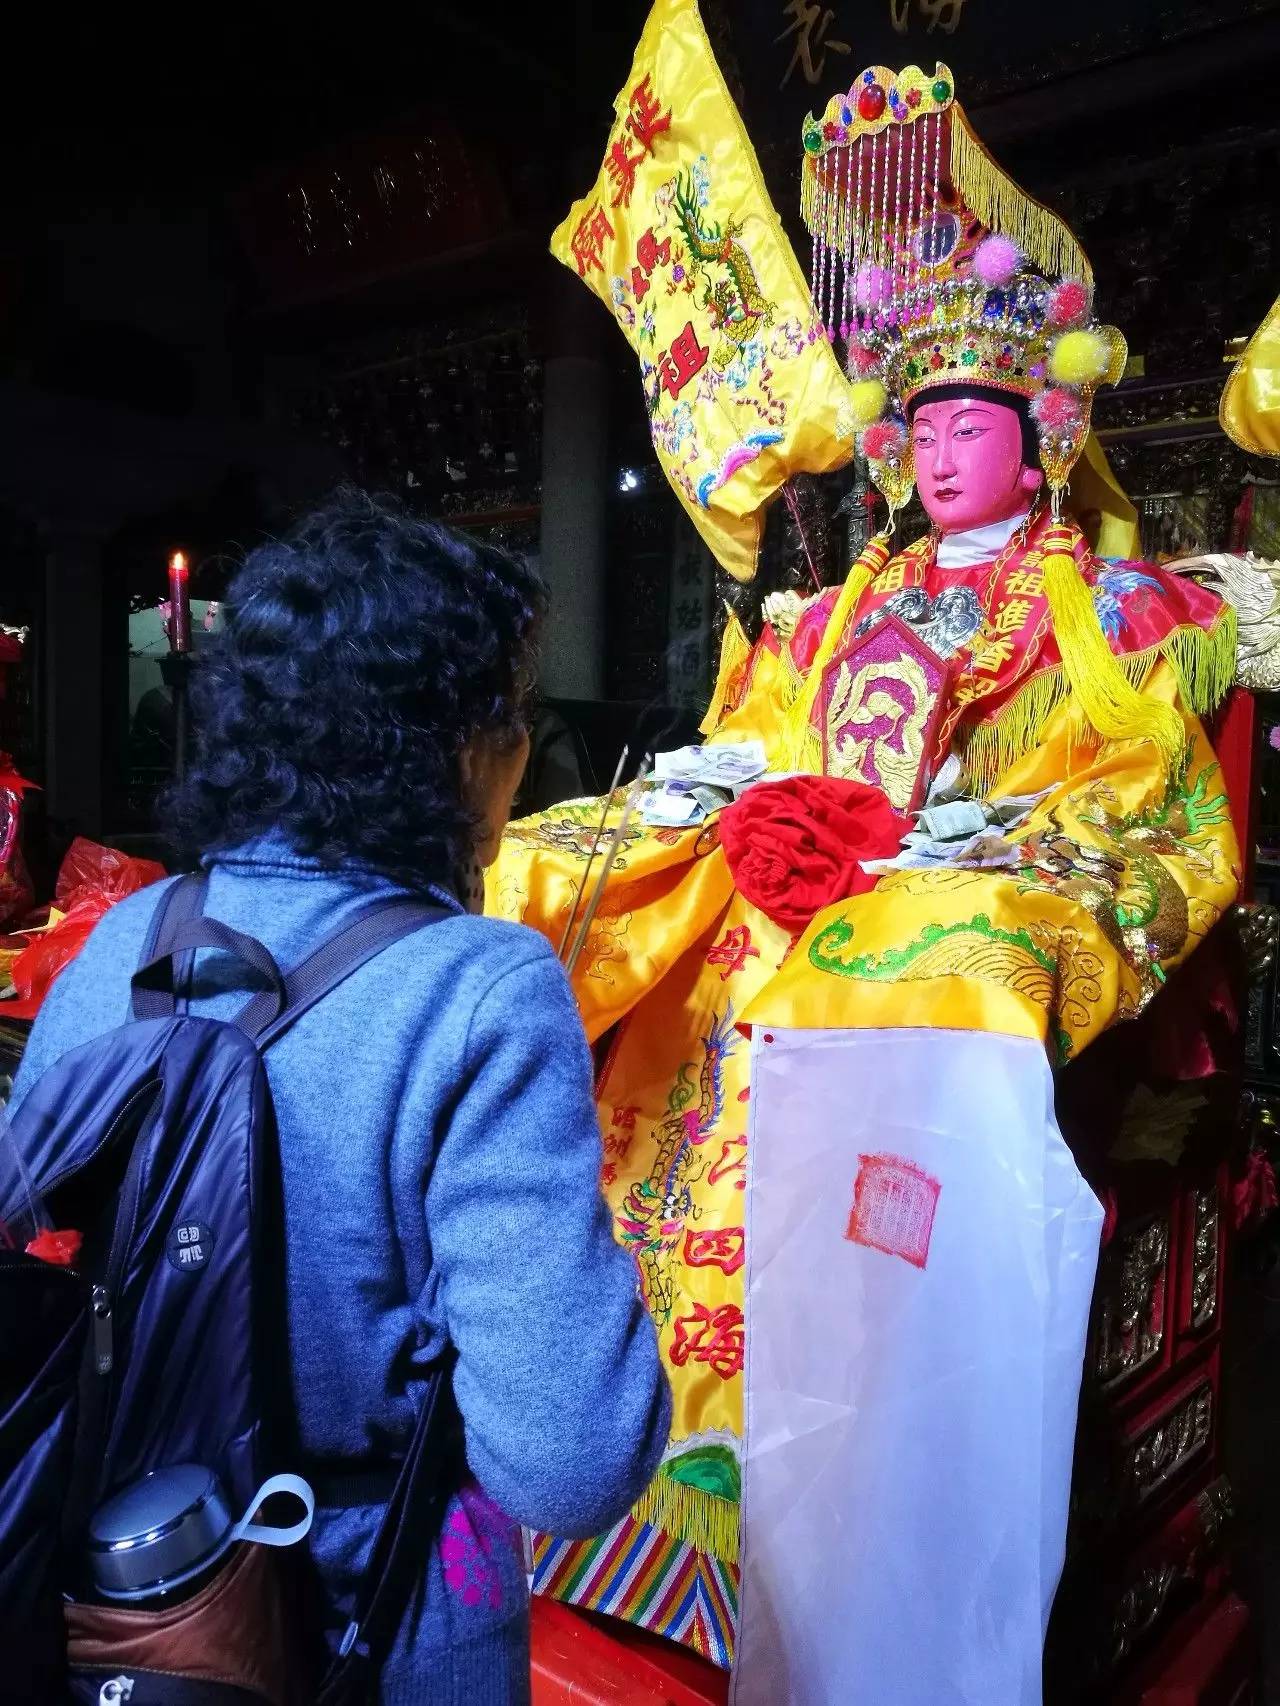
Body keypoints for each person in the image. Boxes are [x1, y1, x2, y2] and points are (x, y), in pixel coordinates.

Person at [491, 54, 1243, 1706]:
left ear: (1039, 439)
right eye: (922, 420)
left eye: (974, 417)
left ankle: (865, 1484)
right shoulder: (830, 615)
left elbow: (1137, 810)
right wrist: (732, 807)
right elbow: (757, 744)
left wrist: (928, 849)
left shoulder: (1114, 615)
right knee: (559, 874)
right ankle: (593, 1429)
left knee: (910, 967)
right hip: (780, 907)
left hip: (918, 916)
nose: (941, 445)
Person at [9, 489, 671, 1705]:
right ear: (455, 746)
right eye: (513, 714)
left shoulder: (128, 940)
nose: (523, 748)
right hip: (381, 1622)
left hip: (130, 1594)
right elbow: (570, 1459)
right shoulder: (482, 986)